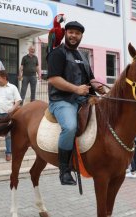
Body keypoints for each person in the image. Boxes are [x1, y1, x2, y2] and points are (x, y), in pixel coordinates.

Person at [47, 21, 105, 185]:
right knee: (70, 127)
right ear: (65, 33)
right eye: (70, 32)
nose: (73, 35)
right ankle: (64, 170)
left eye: (77, 33)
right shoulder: (57, 53)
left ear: (81, 36)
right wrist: (76, 89)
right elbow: (53, 79)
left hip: (83, 99)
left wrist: (98, 87)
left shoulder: (83, 56)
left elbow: (91, 78)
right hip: (61, 100)